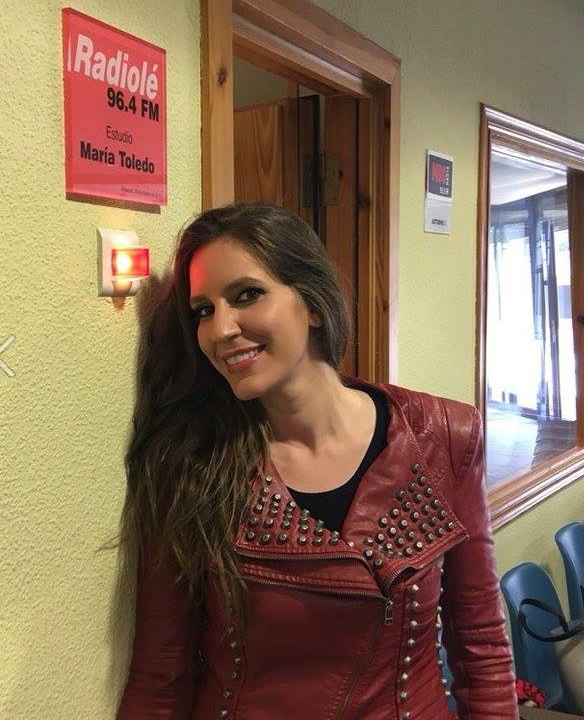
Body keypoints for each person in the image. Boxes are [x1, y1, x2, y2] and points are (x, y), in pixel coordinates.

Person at [115, 202, 519, 720]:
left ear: (313, 304)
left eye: (246, 295)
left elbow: (481, 647)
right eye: (204, 311)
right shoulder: (192, 463)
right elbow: (161, 675)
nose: (220, 330)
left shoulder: (443, 435)